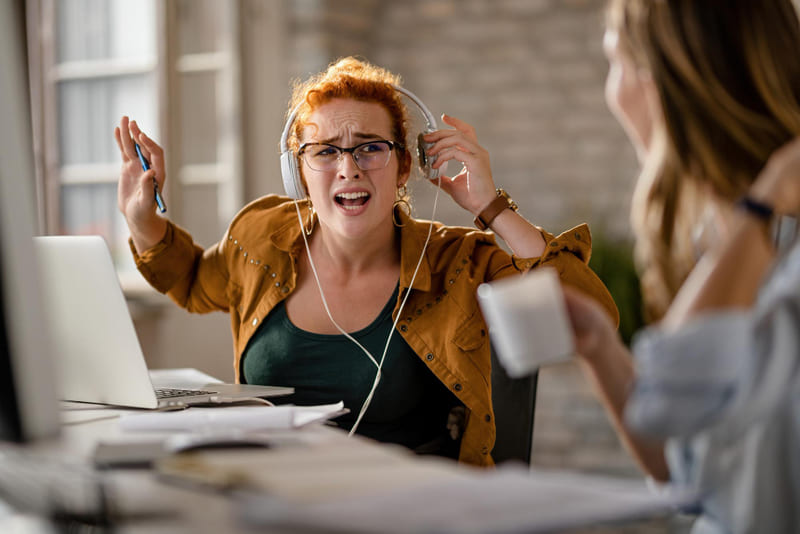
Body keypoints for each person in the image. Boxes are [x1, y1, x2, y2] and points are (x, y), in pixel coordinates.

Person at [115, 57, 618, 467]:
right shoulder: (261, 236)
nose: (348, 169)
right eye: (325, 152)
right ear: (299, 173)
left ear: (404, 166)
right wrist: (142, 219)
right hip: (271, 497)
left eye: (370, 148)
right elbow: (192, 279)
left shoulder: (454, 262)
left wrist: (492, 208)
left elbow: (591, 316)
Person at [562, 0, 800, 531]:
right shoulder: (729, 241)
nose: (612, 93)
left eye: (615, 62)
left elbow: (676, 411)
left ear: (667, 81)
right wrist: (601, 348)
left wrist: (763, 205)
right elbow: (688, 463)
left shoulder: (771, 246)